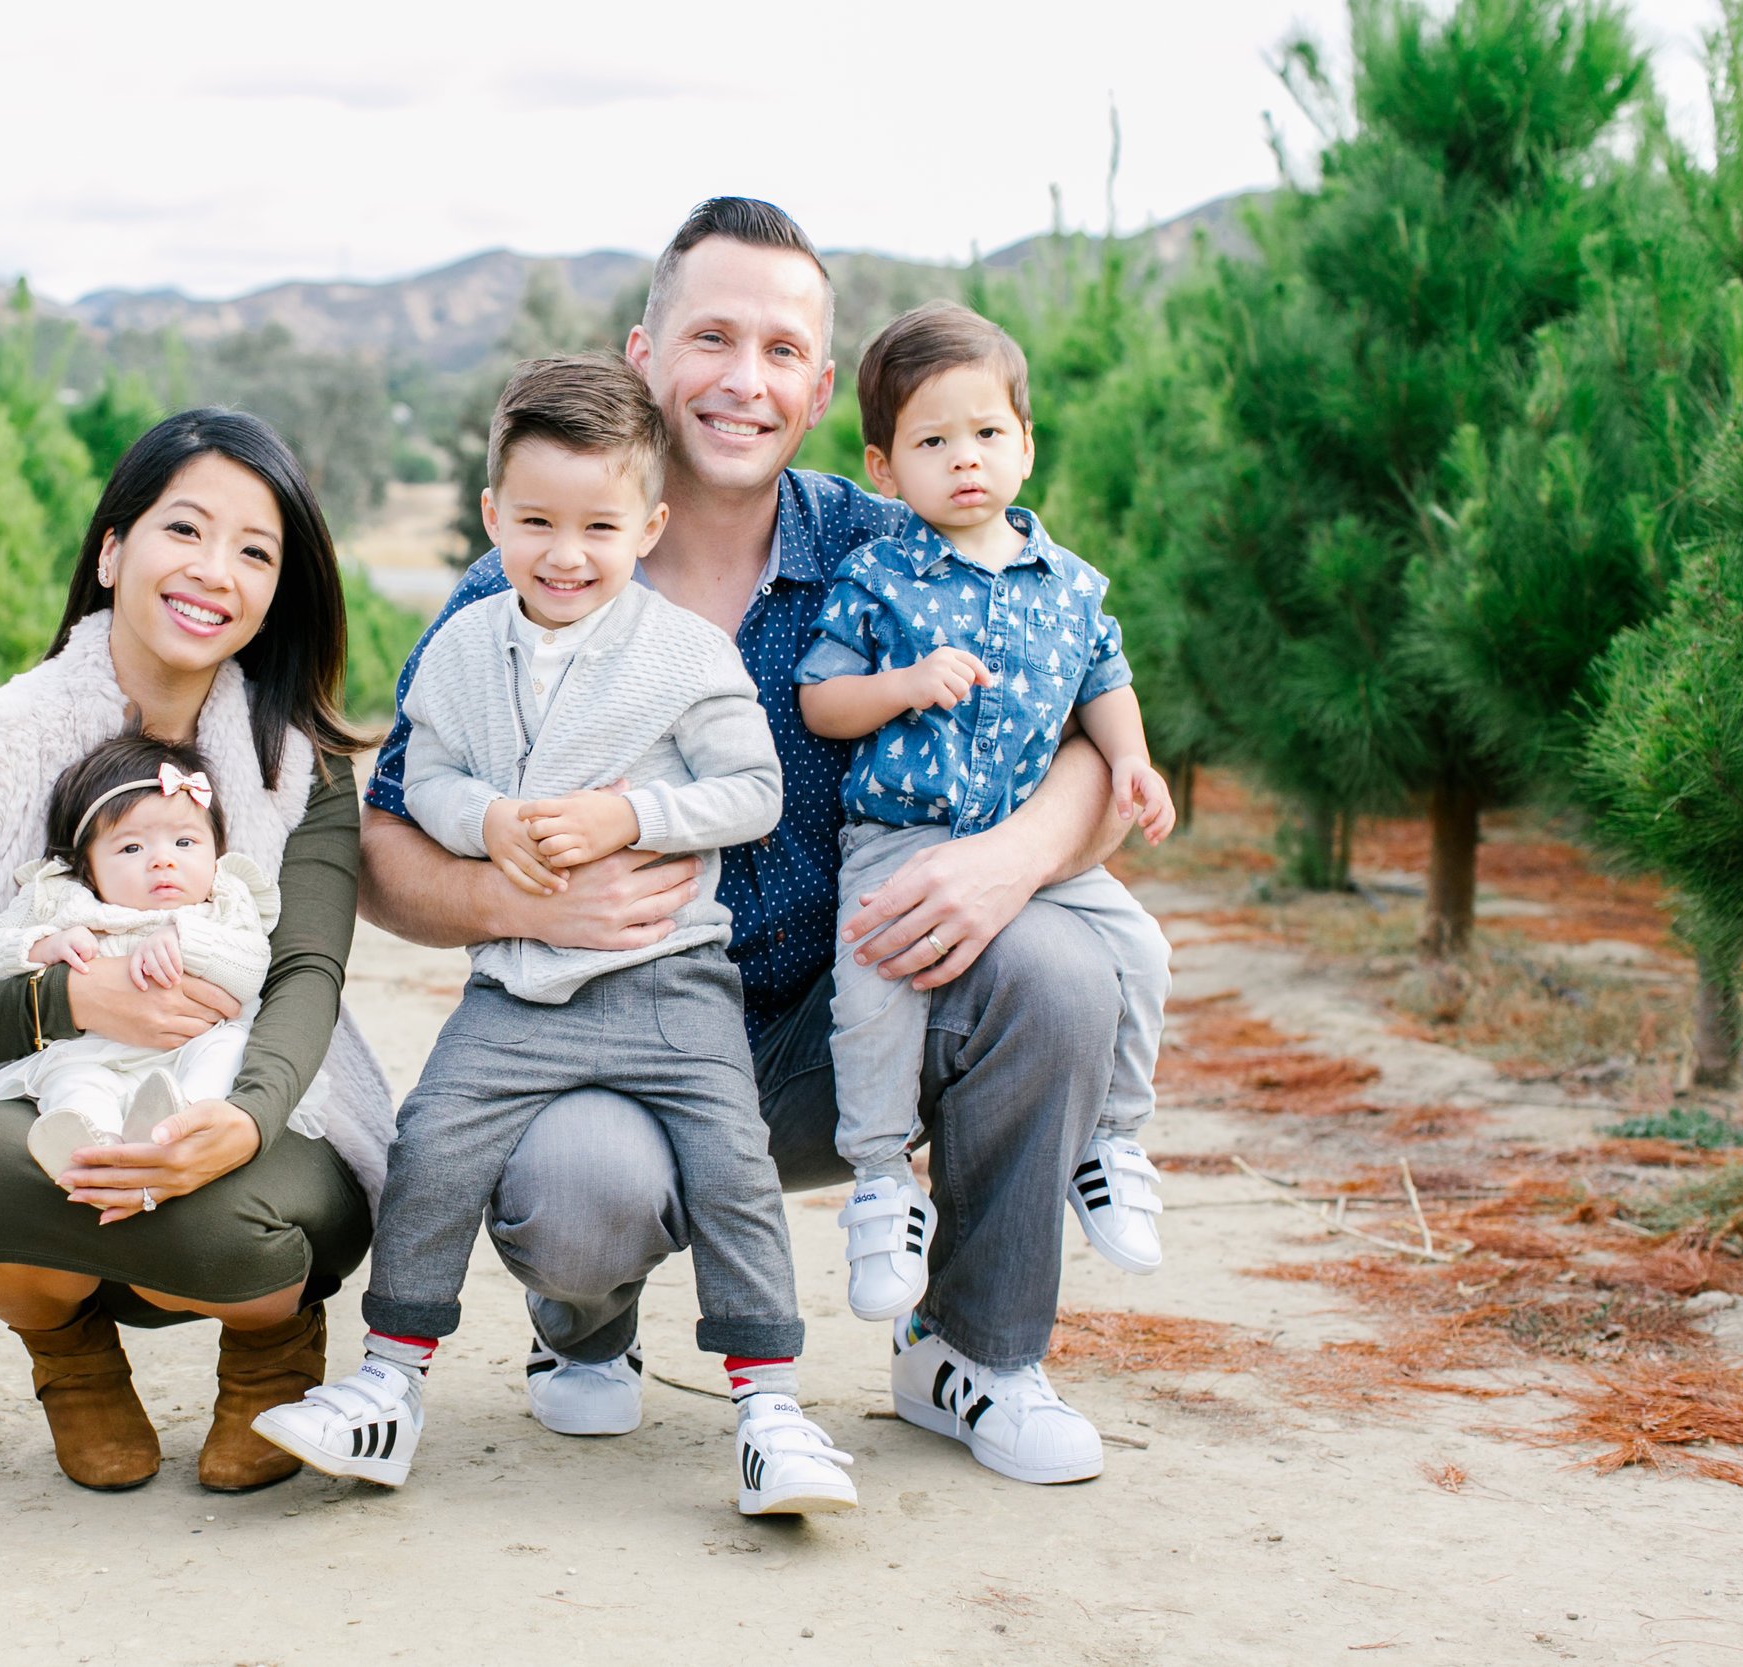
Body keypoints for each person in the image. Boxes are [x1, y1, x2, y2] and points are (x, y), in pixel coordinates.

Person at [360, 198, 1138, 1488]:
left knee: (1055, 967)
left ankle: (970, 1354)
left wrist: (1014, 856)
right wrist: (526, 903)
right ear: (642, 356)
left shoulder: (898, 550)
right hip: (620, 1030)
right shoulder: (530, 576)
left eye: (782, 350)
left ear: (823, 387)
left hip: (849, 1027)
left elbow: (1096, 746)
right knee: (577, 1190)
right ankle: (584, 1328)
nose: (743, 378)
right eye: (710, 336)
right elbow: (387, 833)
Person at [252, 354, 856, 1516]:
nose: (564, 553)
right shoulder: (471, 644)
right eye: (534, 521)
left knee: (732, 1165)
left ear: (649, 525)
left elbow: (754, 792)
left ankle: (769, 1408)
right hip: (520, 987)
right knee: (432, 1141)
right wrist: (481, 820)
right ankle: (390, 1381)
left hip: (671, 978)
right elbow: (419, 772)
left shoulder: (686, 652)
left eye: (597, 525)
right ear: (491, 517)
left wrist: (631, 812)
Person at [0, 410, 396, 1497]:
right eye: (183, 529)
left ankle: (269, 1351)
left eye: (255, 550)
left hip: (247, 1086)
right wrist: (72, 1000)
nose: (213, 571)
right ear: (112, 550)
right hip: (56, 1089)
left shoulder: (301, 764)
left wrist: (241, 1116)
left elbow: (305, 977)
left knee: (238, 1215)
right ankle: (69, 1356)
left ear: (279, 589)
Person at [800, 300, 1177, 1331]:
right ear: (884, 468)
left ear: (1024, 444)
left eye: (985, 434)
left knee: (1139, 954)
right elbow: (820, 700)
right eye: (931, 441)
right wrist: (905, 683)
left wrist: (1133, 763)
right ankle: (882, 1180)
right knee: (875, 983)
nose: (962, 460)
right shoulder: (876, 577)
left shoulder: (1067, 583)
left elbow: (1106, 681)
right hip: (903, 831)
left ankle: (1109, 1138)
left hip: (1030, 846)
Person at [0, 733, 290, 1181]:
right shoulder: (62, 900)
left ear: (216, 851)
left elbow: (251, 967)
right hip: (93, 1052)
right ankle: (89, 1142)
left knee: (231, 1046)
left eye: (185, 843)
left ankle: (182, 1119)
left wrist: (186, 939)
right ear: (86, 867)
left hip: (190, 1050)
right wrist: (45, 947)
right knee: (72, 1078)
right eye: (131, 848)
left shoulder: (223, 901)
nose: (163, 861)